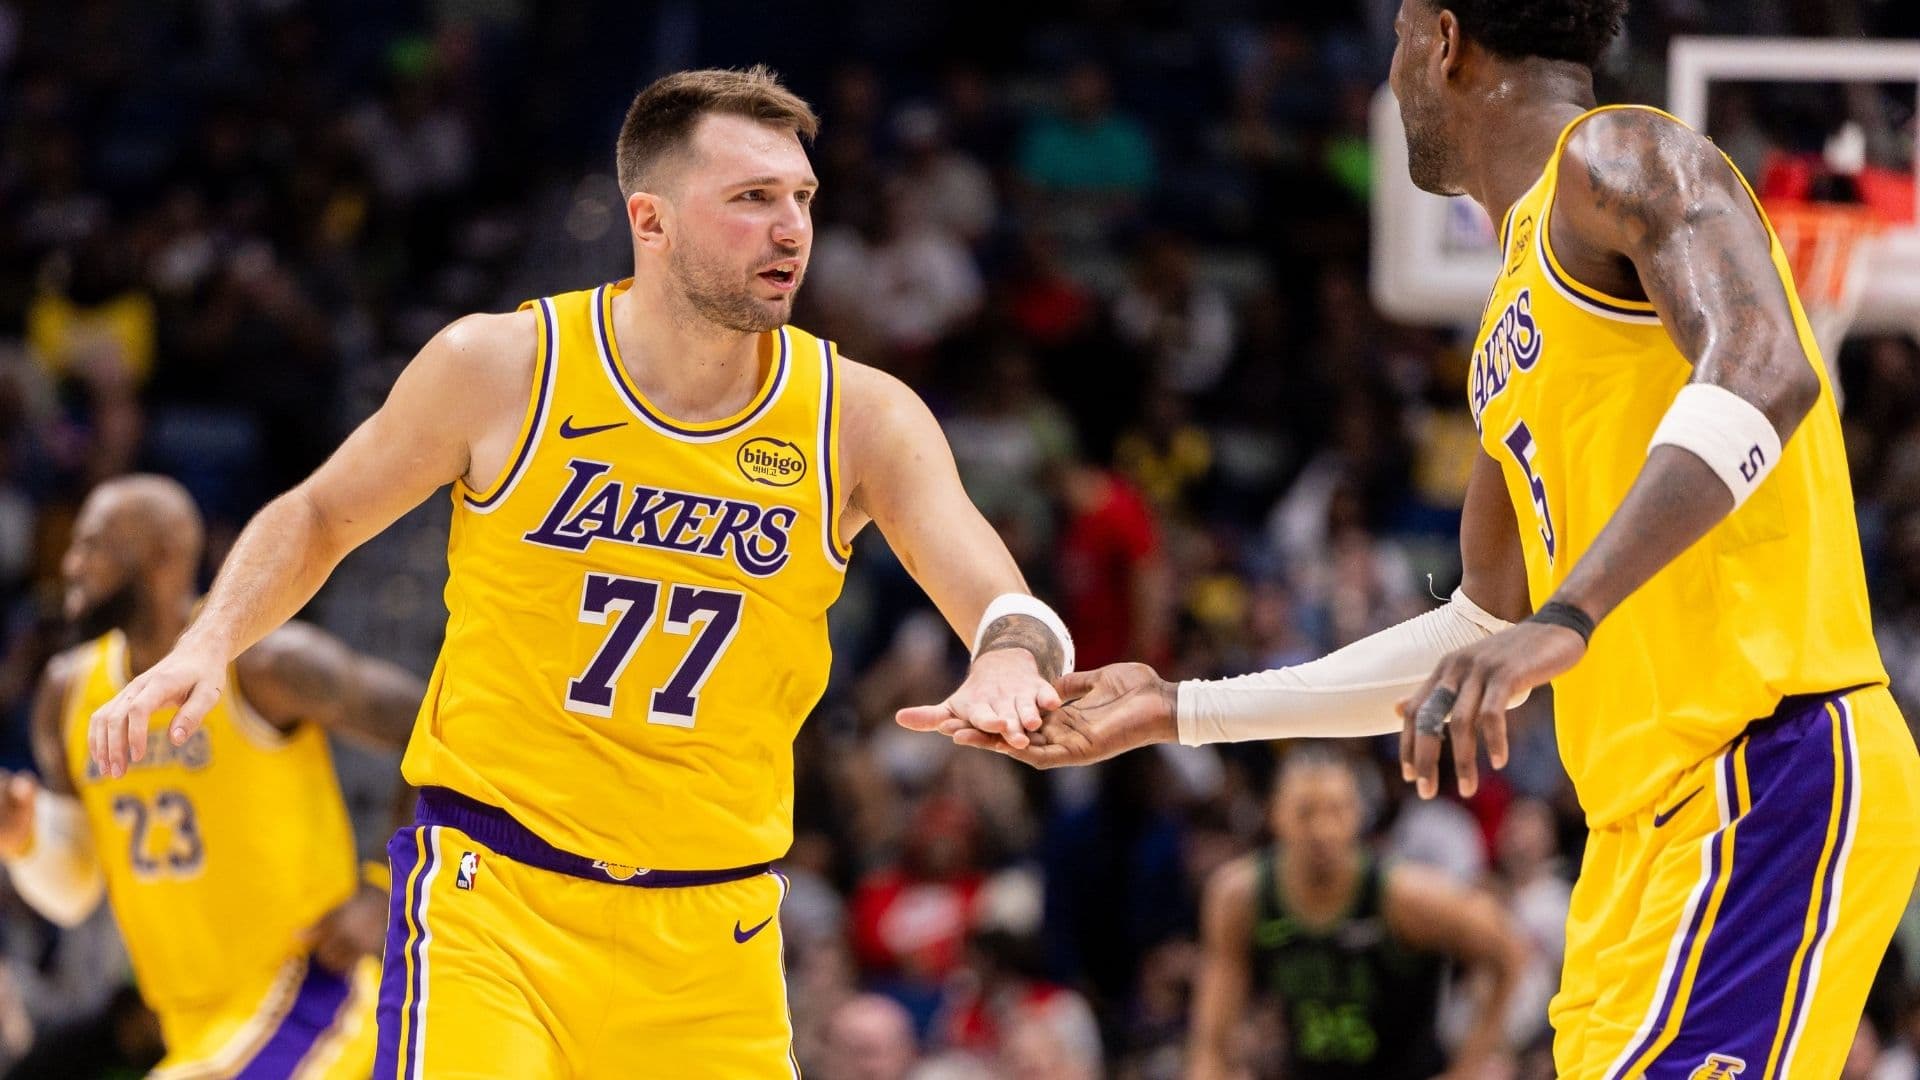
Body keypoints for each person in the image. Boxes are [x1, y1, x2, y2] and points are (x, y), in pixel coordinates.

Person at [926, 3, 1920, 1076]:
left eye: (1398, 33)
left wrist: (1566, 618)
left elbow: (1766, 370)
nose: (1392, 69)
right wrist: (1180, 708)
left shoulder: (1623, 149)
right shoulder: (1508, 320)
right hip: (1639, 842)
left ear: (1445, 40)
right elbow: (1476, 627)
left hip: (1766, 767)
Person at [87, 67, 1071, 1079]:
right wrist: (212, 638)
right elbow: (320, 513)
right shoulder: (502, 365)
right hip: (492, 901)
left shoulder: (858, 415)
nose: (791, 229)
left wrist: (1008, 653)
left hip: (712, 934)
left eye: (803, 199)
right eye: (752, 199)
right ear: (651, 220)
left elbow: (993, 586)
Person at [2, 475, 422, 1077]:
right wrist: (26, 840)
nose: (71, 564)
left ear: (163, 557)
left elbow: (429, 723)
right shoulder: (66, 692)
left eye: (94, 546)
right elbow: (76, 891)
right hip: (188, 1020)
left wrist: (391, 890)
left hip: (310, 988)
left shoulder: (263, 662)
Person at [1188, 748, 1524, 1080]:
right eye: (1305, 812)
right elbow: (1211, 1040)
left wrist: (1468, 1068)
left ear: (1357, 816)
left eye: (1336, 811)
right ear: (1275, 814)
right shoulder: (1240, 898)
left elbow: (1509, 952)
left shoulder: (1407, 897)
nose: (1321, 830)